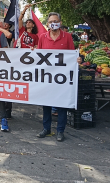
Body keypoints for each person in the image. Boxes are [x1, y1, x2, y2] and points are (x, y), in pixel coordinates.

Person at [35, 12, 79, 142]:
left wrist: (77, 59)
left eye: (55, 20)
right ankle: (46, 128)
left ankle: (60, 131)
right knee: (46, 104)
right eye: (50, 21)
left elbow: (71, 54)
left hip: (62, 78)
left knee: (62, 105)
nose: (53, 23)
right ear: (47, 24)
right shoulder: (42, 37)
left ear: (60, 22)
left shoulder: (67, 37)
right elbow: (39, 56)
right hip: (47, 77)